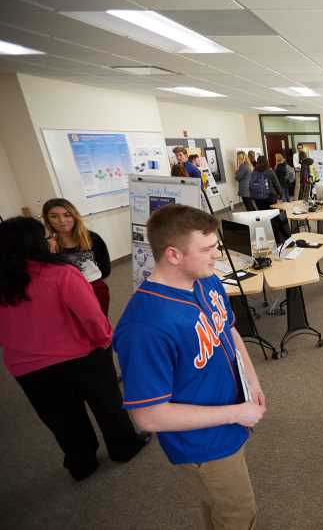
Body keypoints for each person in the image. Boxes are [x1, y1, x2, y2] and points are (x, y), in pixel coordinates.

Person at [113, 204, 265, 529]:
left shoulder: (205, 280)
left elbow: (229, 329)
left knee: (220, 508)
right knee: (239, 514)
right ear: (173, 255)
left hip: (229, 418)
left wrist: (251, 380)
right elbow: (148, 416)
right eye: (208, 250)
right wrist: (236, 413)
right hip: (203, 443)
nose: (217, 257)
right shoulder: (145, 326)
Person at [0, 217, 148, 481]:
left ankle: (82, 462)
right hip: (82, 357)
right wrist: (105, 341)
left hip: (28, 368)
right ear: (36, 244)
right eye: (47, 237)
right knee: (107, 406)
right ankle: (124, 446)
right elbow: (91, 316)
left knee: (61, 418)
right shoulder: (61, 274)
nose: (52, 240)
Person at [42, 198, 112, 315]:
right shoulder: (47, 245)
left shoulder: (92, 238)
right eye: (54, 216)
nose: (62, 220)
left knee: (100, 325)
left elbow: (105, 268)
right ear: (47, 220)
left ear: (74, 216)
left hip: (94, 288)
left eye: (67, 215)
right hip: (65, 294)